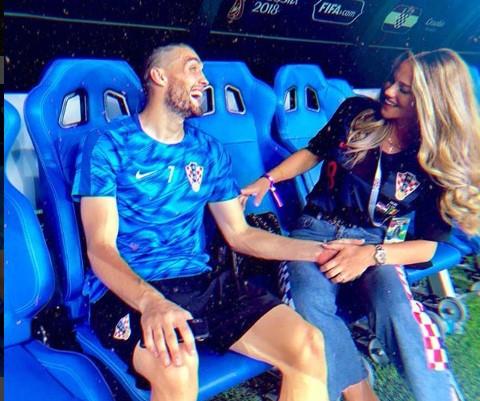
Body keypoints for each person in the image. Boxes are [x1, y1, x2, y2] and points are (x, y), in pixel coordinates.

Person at [72, 43, 338, 401]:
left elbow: (240, 234)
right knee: (177, 364)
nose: (205, 80)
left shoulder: (209, 150)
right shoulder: (108, 144)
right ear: (158, 76)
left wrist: (320, 251)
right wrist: (151, 302)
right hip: (129, 286)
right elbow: (100, 247)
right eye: (192, 68)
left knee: (307, 344)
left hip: (200, 281)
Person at [242, 48, 480, 401]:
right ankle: (361, 394)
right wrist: (269, 179)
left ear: (431, 102)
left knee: (397, 309)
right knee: (308, 308)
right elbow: (315, 151)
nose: (389, 91)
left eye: (405, 89)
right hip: (314, 232)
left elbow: (431, 245)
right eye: (391, 80)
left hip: (378, 243)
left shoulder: (433, 157)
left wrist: (370, 254)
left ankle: (440, 395)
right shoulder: (357, 111)